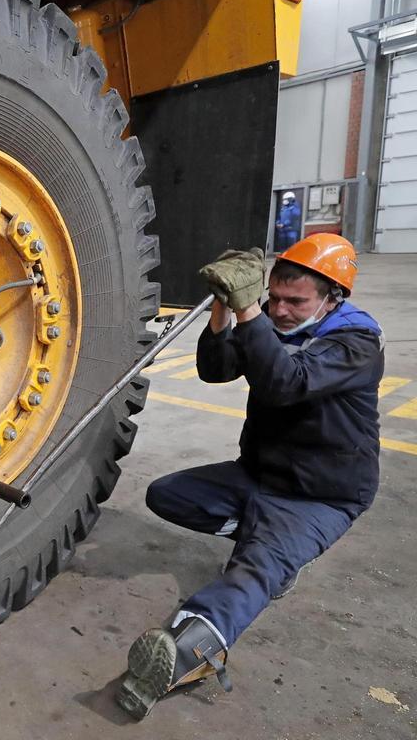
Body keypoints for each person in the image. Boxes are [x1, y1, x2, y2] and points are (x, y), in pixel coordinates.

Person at [116, 234, 384, 720]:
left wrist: (248, 311)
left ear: (332, 298)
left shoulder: (355, 342)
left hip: (318, 496)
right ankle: (263, 537)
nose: (279, 310)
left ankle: (184, 652)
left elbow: (285, 383)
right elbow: (216, 369)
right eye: (273, 298)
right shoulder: (274, 322)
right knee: (168, 495)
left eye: (294, 301)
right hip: (259, 476)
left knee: (255, 572)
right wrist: (224, 305)